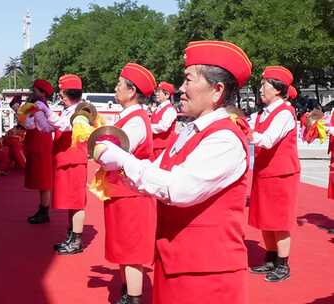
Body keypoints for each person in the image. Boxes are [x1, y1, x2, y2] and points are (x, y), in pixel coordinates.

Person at [94, 41, 252, 303]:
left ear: (217, 90)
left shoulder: (224, 139)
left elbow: (178, 189)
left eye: (188, 80)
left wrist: (121, 159)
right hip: (178, 262)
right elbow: (154, 172)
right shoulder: (193, 132)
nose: (180, 89)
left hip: (205, 274)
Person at [94, 63, 157, 303]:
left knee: (131, 250)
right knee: (122, 246)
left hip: (132, 194)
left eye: (120, 84)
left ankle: (133, 297)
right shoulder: (129, 118)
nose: (115, 88)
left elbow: (113, 155)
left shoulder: (136, 121)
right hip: (122, 191)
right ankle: (127, 293)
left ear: (132, 91)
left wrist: (98, 149)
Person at [248, 66, 300, 282]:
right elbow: (247, 123)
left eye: (264, 85)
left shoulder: (285, 113)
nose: (260, 89)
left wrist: (245, 132)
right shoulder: (262, 113)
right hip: (264, 172)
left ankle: (282, 263)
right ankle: (270, 259)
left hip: (281, 174)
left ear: (277, 89)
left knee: (279, 220)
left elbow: (268, 140)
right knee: (265, 217)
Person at [31, 74, 91, 254]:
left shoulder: (82, 109)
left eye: (61, 92)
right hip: (65, 159)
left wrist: (46, 111)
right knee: (70, 202)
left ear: (66, 93)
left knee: (76, 202)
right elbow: (48, 128)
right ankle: (72, 235)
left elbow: (65, 125)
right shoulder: (68, 109)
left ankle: (77, 240)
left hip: (74, 160)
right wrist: (39, 115)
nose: (59, 95)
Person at [22, 79, 54, 224]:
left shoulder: (38, 107)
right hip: (40, 145)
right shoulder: (38, 106)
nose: (31, 92)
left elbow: (30, 125)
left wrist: (21, 111)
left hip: (40, 146)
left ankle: (44, 212)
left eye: (34, 90)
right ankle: (43, 210)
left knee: (44, 181)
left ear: (41, 92)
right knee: (43, 181)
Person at [150, 81, 178, 160]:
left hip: (162, 148)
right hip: (155, 147)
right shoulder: (158, 109)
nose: (156, 94)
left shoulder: (170, 110)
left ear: (167, 95)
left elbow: (163, 127)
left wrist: (146, 127)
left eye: (159, 91)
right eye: (157, 91)